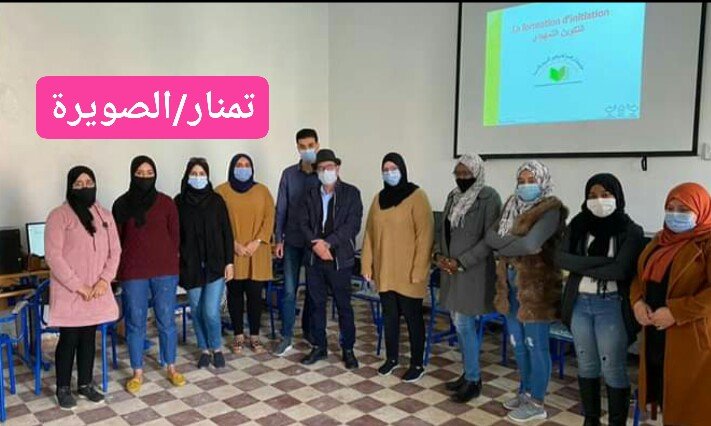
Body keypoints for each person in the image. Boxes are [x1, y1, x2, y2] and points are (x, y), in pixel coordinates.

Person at [485, 160, 567, 422]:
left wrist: (503, 246)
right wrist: (513, 244)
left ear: (542, 182)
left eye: (531, 181)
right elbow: (490, 237)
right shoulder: (511, 204)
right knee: (518, 344)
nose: (525, 186)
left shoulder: (550, 209)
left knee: (536, 345)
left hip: (536, 290)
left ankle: (537, 402)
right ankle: (525, 392)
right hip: (509, 286)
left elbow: (531, 244)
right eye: (521, 181)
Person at [560, 174, 645, 426]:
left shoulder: (631, 230)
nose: (599, 200)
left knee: (612, 368)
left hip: (611, 305)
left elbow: (620, 270)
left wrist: (580, 265)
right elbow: (560, 258)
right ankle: (591, 419)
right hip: (579, 304)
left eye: (605, 195)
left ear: (617, 197)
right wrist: (603, 263)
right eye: (592, 195)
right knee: (586, 364)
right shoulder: (578, 224)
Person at [631, 182, 711, 426]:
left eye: (683, 210)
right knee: (656, 395)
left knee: (687, 406)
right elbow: (639, 277)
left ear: (701, 210)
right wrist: (637, 302)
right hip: (655, 332)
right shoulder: (659, 240)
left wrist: (676, 312)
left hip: (689, 336)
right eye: (670, 208)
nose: (675, 215)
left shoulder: (707, 243)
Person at [45, 166, 121, 409]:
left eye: (89, 182)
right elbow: (53, 256)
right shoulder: (59, 216)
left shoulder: (105, 215)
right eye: (78, 183)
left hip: (97, 290)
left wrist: (104, 280)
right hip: (71, 292)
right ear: (70, 187)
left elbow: (115, 251)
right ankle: (63, 388)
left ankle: (85, 384)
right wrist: (80, 287)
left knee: (89, 337)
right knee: (69, 339)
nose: (85, 187)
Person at [112, 156, 185, 394]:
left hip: (165, 271)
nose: (144, 177)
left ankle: (171, 366)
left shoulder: (166, 203)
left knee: (166, 320)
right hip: (133, 272)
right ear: (132, 174)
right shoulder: (121, 204)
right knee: (135, 322)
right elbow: (117, 240)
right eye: (140, 173)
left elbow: (175, 237)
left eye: (149, 172)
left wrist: (168, 259)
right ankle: (137, 372)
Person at [433, 154, 501, 403]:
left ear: (477, 173)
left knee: (464, 324)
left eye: (466, 173)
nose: (462, 178)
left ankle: (474, 379)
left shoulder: (489, 197)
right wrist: (439, 255)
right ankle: (467, 373)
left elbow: (490, 239)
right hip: (450, 271)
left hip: (472, 272)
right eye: (458, 173)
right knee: (458, 322)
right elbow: (443, 230)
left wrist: (462, 261)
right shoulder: (453, 196)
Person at [361, 152, 434, 383]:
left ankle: (417, 364)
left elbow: (425, 236)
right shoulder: (378, 199)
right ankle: (391, 358)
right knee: (390, 317)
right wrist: (366, 264)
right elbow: (369, 234)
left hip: (409, 273)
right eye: (385, 170)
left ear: (402, 169)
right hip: (385, 271)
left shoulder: (417, 196)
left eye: (393, 168)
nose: (389, 173)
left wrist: (419, 270)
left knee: (413, 319)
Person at [298, 149, 363, 369]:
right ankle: (319, 346)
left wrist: (328, 244)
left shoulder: (351, 193)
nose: (326, 171)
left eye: (330, 167)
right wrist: (316, 245)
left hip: (339, 259)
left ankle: (348, 349)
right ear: (316, 171)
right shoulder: (309, 194)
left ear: (337, 168)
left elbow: (352, 225)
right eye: (322, 168)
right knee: (316, 305)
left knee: (344, 306)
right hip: (315, 258)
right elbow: (303, 224)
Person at [175, 158, 234, 369]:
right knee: (197, 309)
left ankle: (216, 348)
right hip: (190, 265)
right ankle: (204, 349)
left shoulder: (216, 201)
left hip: (215, 265)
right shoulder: (179, 202)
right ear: (187, 176)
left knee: (210, 311)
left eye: (202, 174)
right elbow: (175, 234)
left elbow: (227, 233)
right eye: (194, 173)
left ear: (207, 176)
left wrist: (229, 262)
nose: (198, 177)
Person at [216, 154, 275, 355]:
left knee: (255, 295)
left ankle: (255, 336)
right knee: (234, 295)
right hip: (232, 252)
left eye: (247, 164)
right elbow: (217, 222)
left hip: (257, 252)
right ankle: (238, 335)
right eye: (239, 165)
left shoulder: (262, 191)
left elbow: (269, 218)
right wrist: (233, 244)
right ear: (232, 168)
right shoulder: (221, 192)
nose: (243, 168)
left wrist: (257, 241)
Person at [273, 128, 321, 356]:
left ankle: (309, 331)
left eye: (310, 145)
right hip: (292, 241)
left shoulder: (324, 173)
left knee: (313, 290)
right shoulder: (289, 174)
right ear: (297, 148)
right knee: (289, 291)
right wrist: (278, 239)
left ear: (317, 145)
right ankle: (287, 336)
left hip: (315, 242)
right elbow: (281, 209)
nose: (307, 150)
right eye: (302, 147)